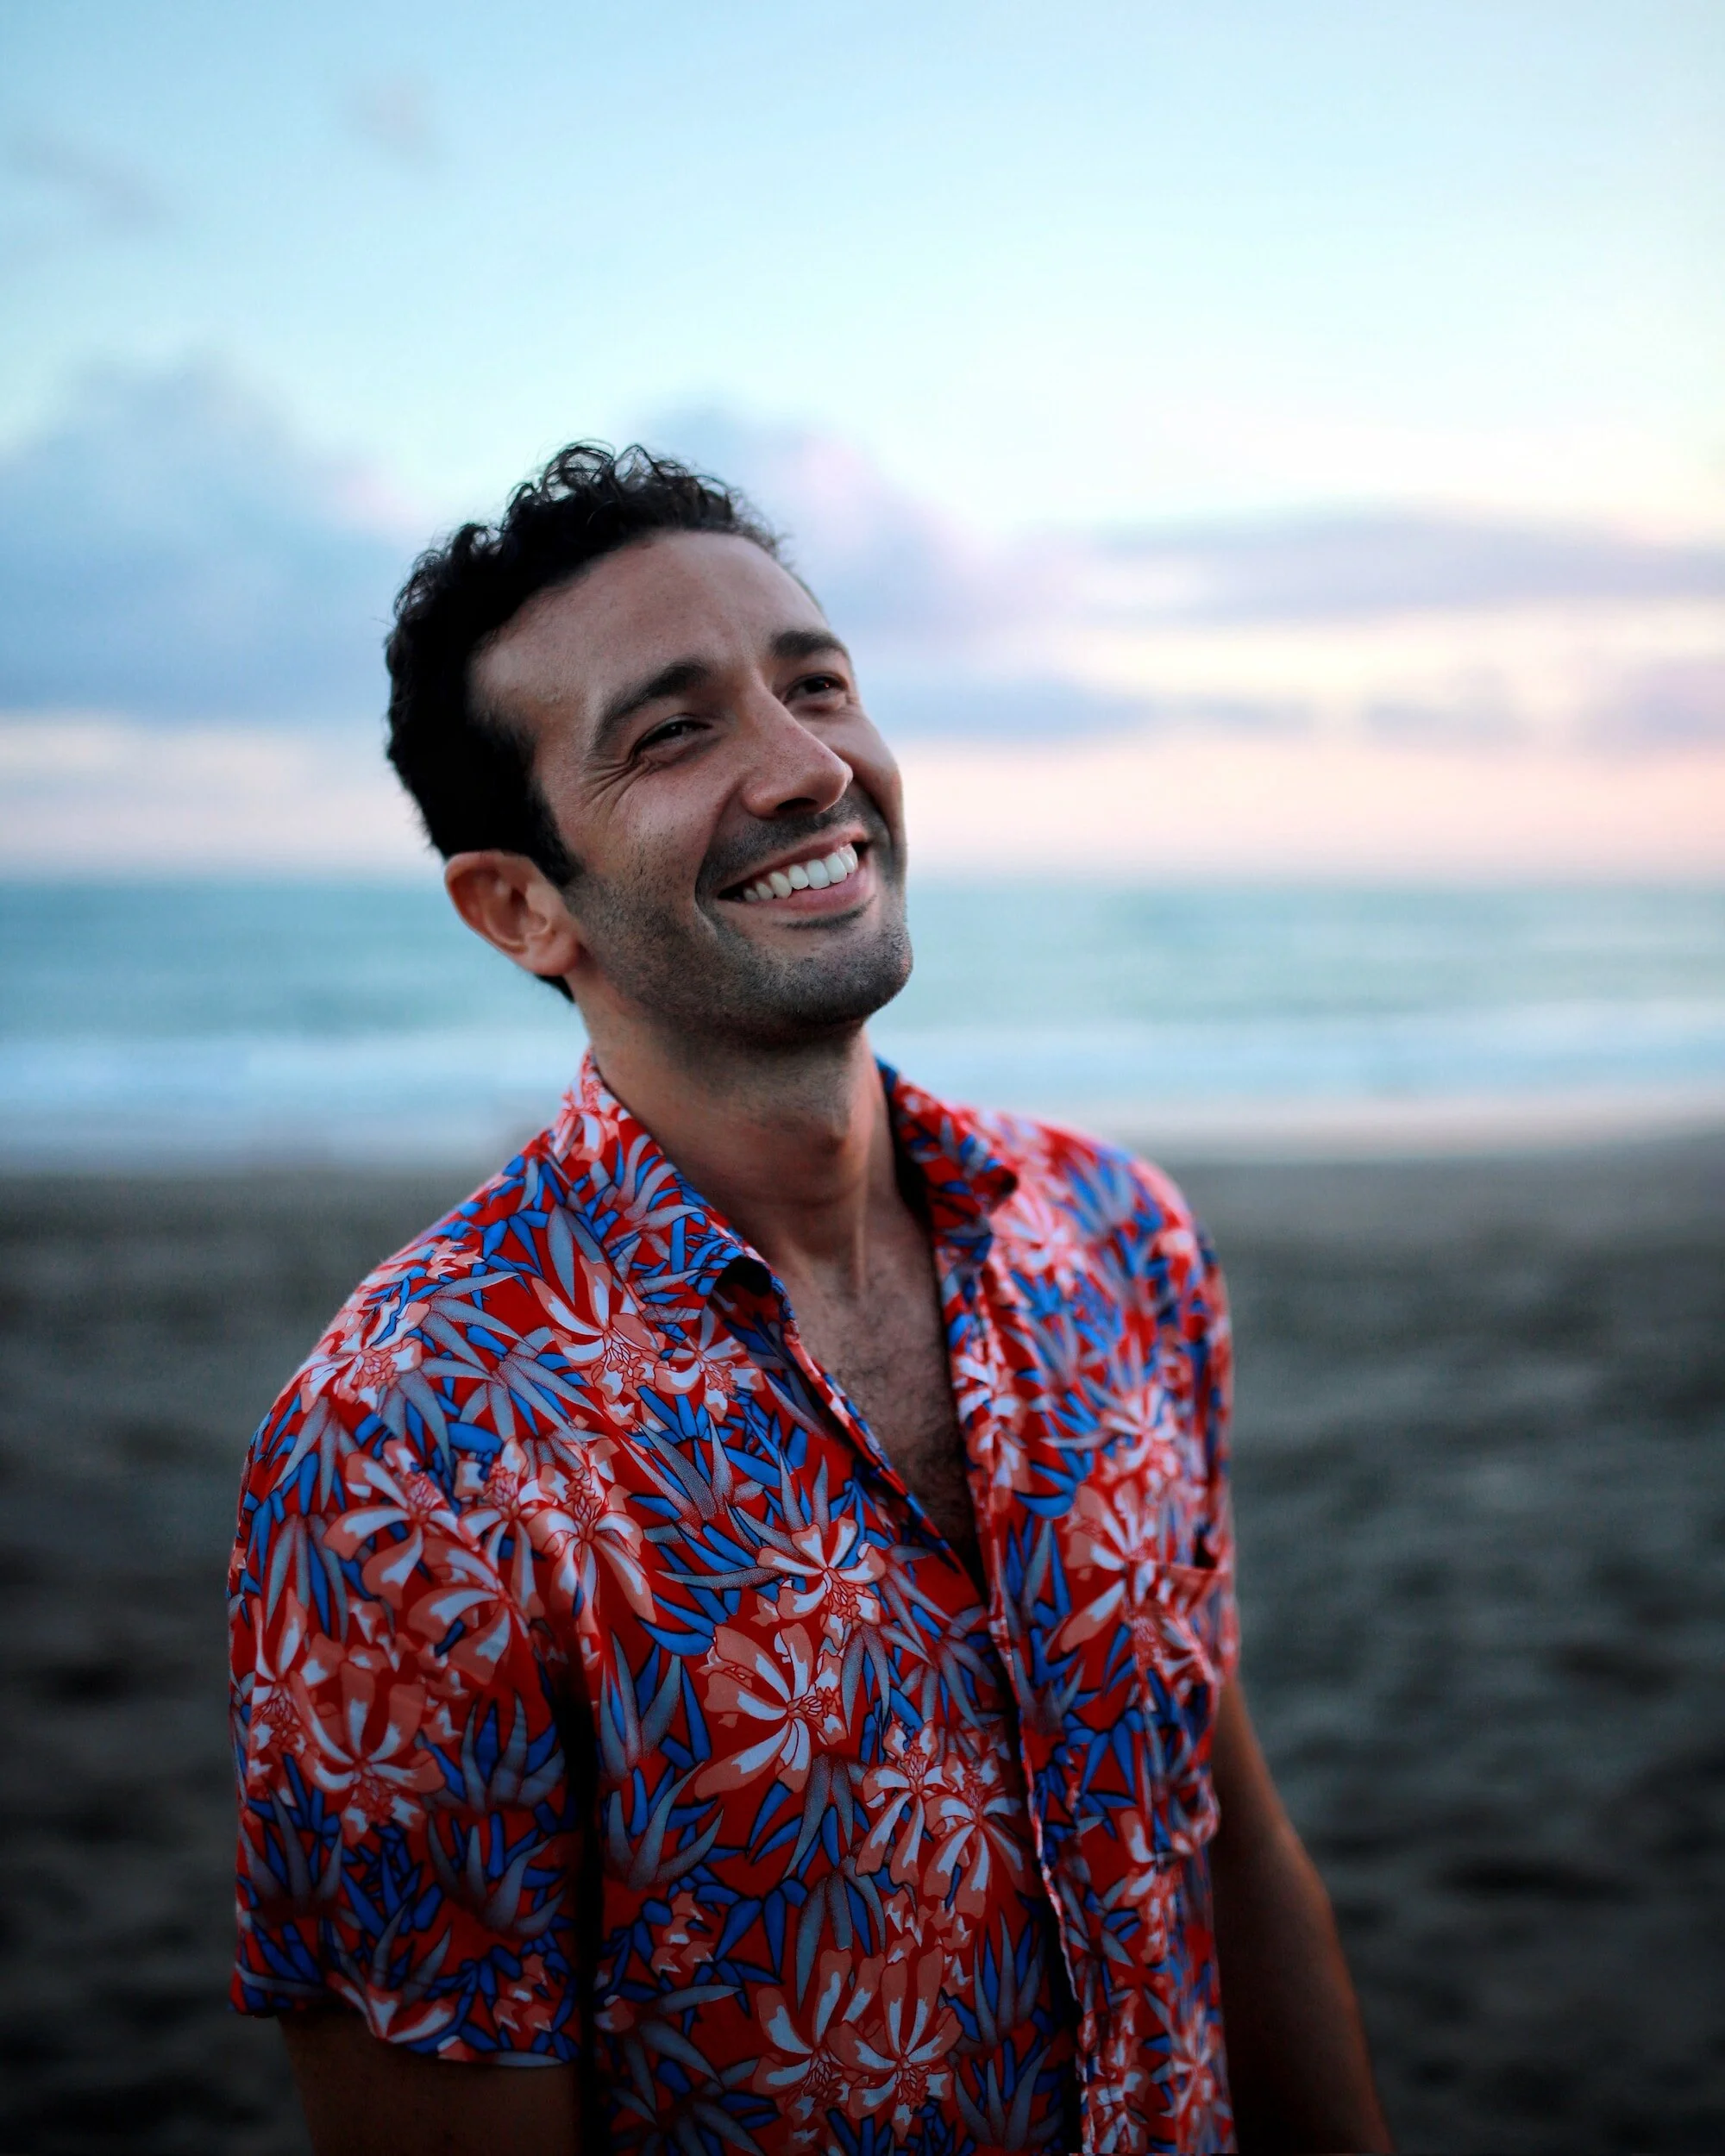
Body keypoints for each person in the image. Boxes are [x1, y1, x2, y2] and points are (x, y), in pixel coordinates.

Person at [229, 443, 1390, 2156]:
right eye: (674, 729)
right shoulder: (408, 1443)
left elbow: (1223, 1840)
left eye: (817, 682)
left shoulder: (1111, 1236)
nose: (804, 766)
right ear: (519, 903)